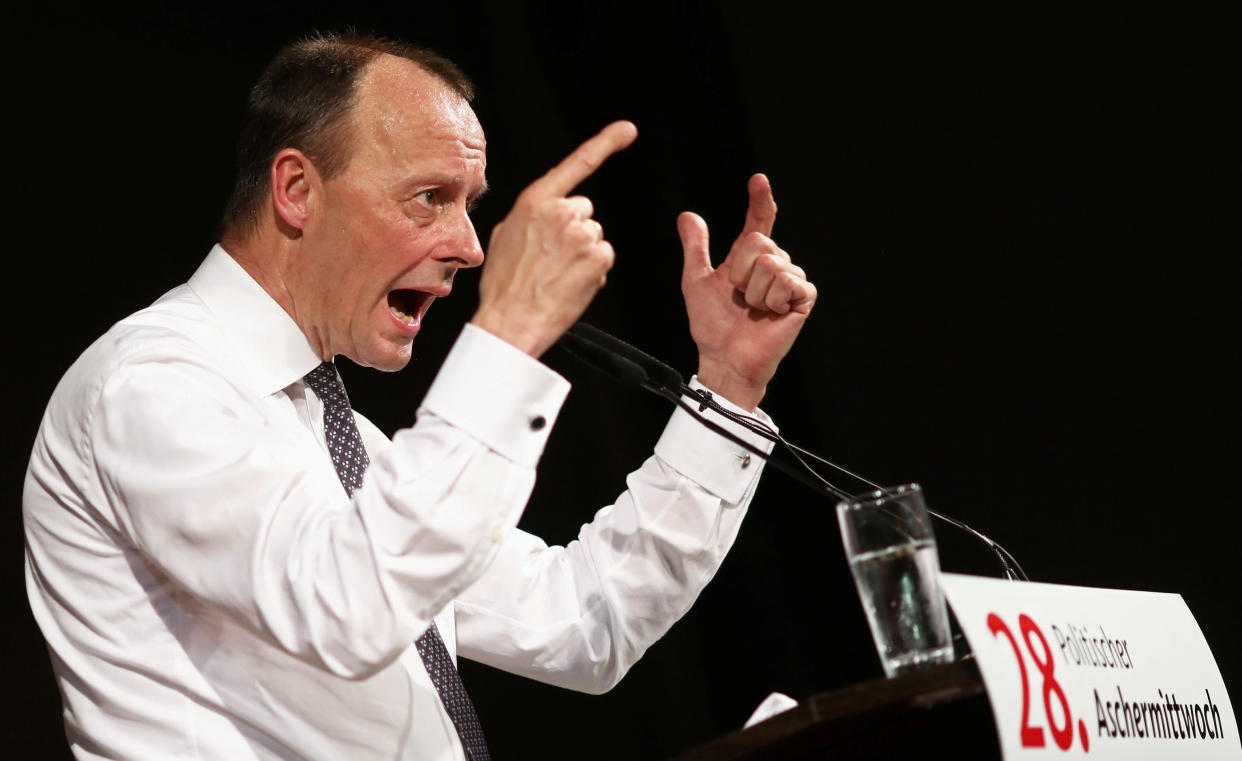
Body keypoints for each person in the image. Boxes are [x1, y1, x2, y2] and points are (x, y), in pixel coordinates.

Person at [23, 33, 816, 761]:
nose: (471, 246)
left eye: (470, 204)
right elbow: (350, 606)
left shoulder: (341, 437)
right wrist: (506, 333)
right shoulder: (151, 385)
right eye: (429, 197)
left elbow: (580, 620)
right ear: (296, 189)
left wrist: (728, 387)